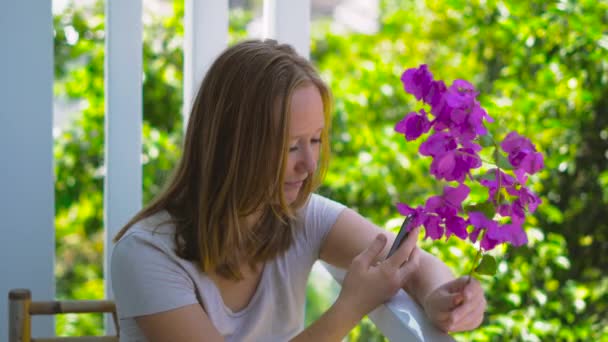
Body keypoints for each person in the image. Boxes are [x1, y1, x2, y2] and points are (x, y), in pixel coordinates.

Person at [111, 39, 487, 342]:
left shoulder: (301, 216)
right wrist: (350, 307)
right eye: (291, 146)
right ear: (232, 144)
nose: (309, 166)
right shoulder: (147, 254)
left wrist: (443, 296)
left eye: (316, 140)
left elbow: (412, 261)